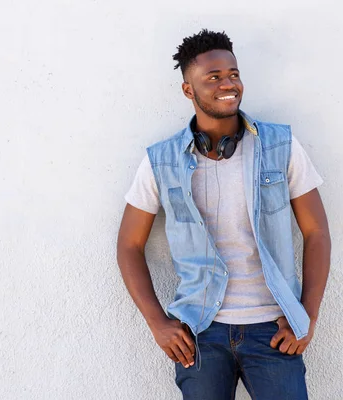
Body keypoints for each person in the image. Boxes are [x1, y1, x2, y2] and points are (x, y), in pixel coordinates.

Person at [116, 29, 331, 400]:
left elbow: (317, 233)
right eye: (213, 78)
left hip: (274, 331)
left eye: (233, 74)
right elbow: (128, 244)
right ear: (189, 90)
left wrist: (306, 317)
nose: (228, 84)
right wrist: (157, 323)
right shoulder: (161, 161)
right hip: (200, 335)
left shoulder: (280, 146)